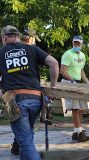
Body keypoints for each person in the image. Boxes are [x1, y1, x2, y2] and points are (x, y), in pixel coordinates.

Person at [0, 25, 59, 160]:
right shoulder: (31, 49)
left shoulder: (1, 53)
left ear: (4, 37)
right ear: (18, 36)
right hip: (36, 99)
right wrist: (53, 88)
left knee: (25, 142)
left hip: (16, 102)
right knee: (26, 138)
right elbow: (54, 63)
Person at [10, 28, 42, 155]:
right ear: (30, 38)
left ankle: (19, 146)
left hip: (19, 94)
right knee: (26, 128)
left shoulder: (15, 49)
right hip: (25, 94)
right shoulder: (29, 50)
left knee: (24, 126)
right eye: (34, 40)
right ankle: (22, 146)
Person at [60, 35, 89, 142]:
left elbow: (81, 71)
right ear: (72, 43)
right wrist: (72, 80)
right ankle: (78, 132)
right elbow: (62, 70)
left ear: (82, 44)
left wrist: (87, 82)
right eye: (75, 43)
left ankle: (77, 130)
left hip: (78, 83)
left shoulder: (82, 55)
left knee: (82, 107)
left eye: (78, 43)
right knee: (75, 108)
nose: (76, 45)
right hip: (69, 82)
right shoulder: (68, 54)